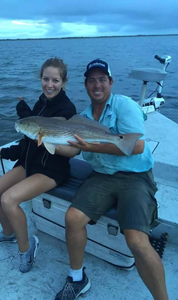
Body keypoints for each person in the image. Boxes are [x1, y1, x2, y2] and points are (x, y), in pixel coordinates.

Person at [55, 59, 169, 300]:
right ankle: (77, 278)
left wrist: (94, 145)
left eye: (102, 79)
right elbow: (73, 151)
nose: (97, 84)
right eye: (91, 80)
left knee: (137, 240)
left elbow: (136, 146)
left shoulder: (125, 105)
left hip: (135, 177)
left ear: (110, 82)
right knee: (72, 217)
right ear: (85, 85)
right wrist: (47, 143)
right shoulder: (82, 118)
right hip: (102, 176)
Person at [0, 57, 78, 273]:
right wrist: (7, 153)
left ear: (63, 82)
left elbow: (63, 146)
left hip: (51, 170)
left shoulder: (67, 109)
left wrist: (32, 122)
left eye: (55, 80)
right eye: (46, 79)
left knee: (8, 199)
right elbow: (29, 140)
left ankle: (26, 248)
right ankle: (9, 233)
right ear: (41, 79)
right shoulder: (41, 103)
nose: (50, 85)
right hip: (29, 163)